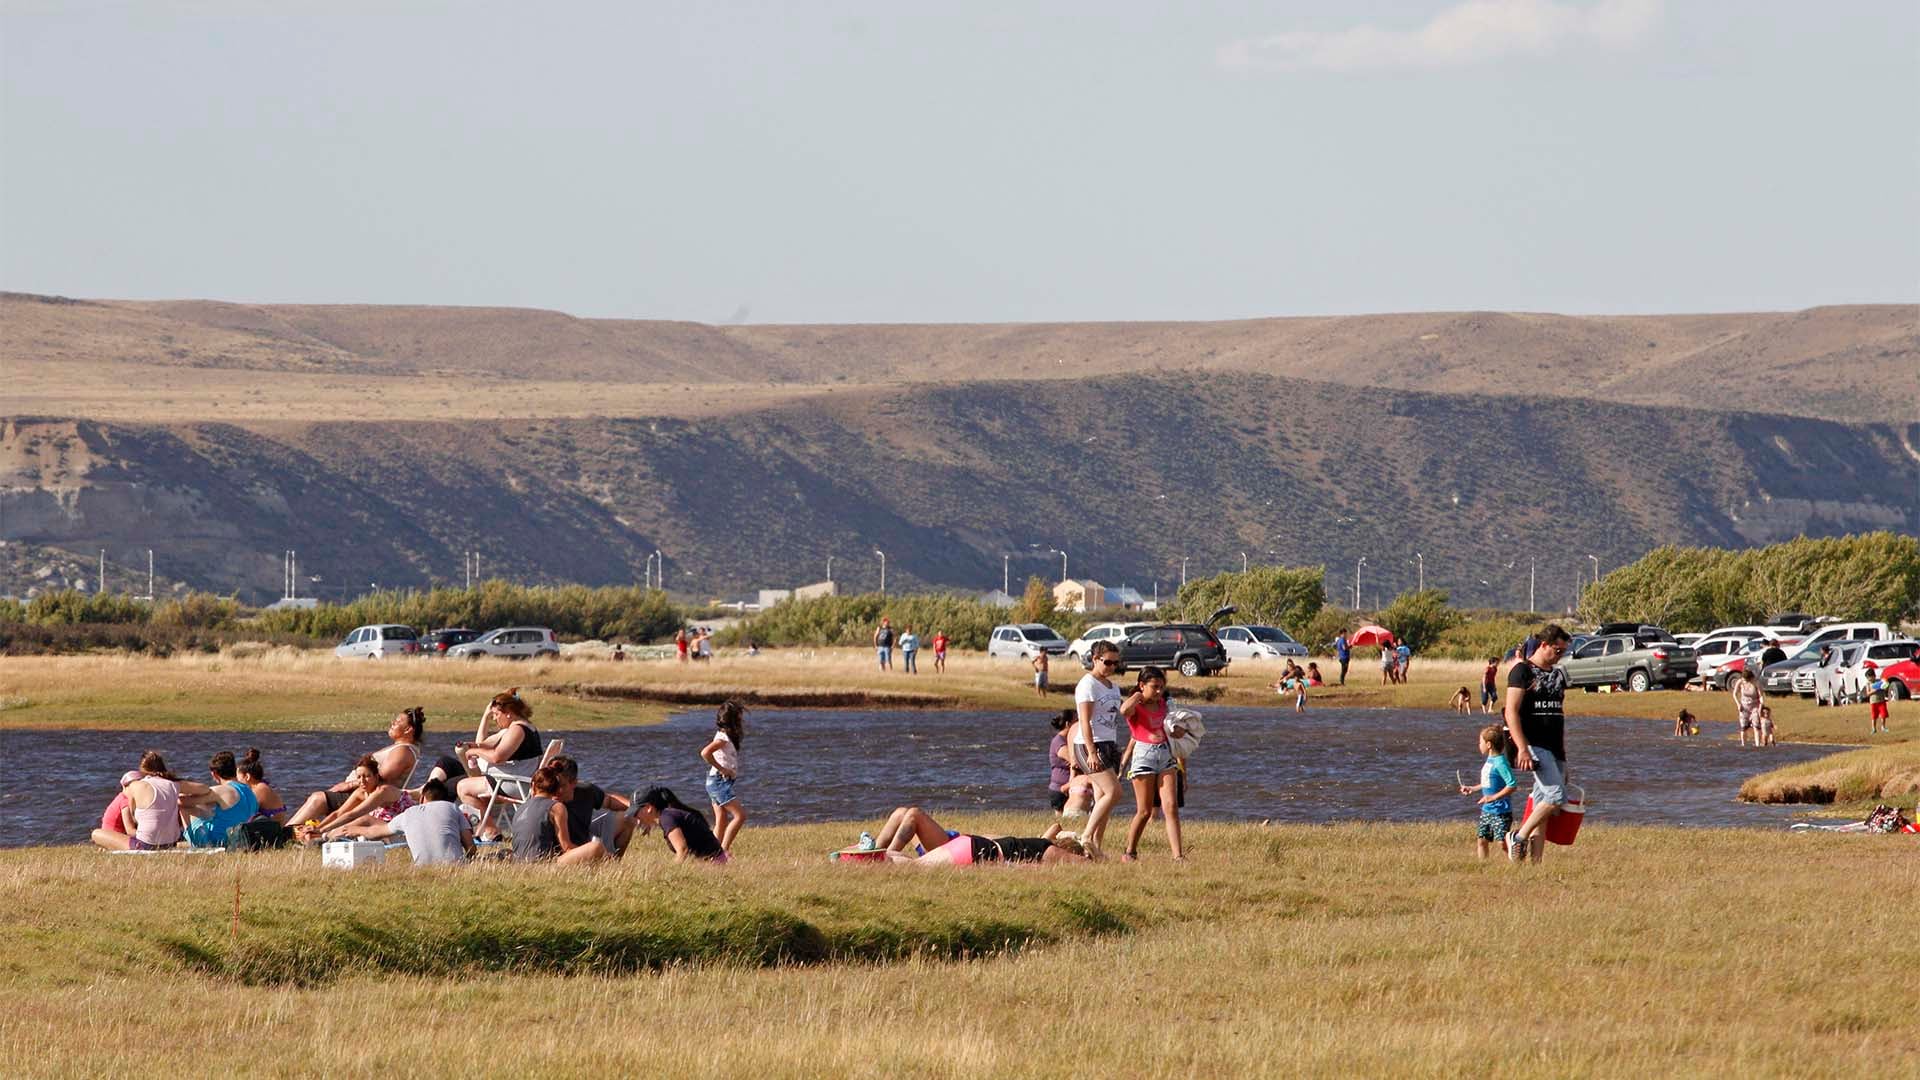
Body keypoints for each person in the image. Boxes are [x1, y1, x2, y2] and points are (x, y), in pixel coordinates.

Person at [1502, 624, 1573, 863]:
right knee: (1555, 797)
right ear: (1543, 644)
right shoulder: (1522, 671)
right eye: (1557, 649)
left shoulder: (1558, 673)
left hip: (1555, 746)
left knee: (1544, 804)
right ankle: (1518, 837)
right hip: (1533, 743)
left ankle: (1536, 864)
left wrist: (1564, 757)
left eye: (1563, 651)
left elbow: (1558, 714)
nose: (1559, 654)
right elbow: (1511, 712)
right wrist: (1522, 747)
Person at [286, 708, 425, 827]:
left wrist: (349, 785)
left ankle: (285, 834)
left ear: (408, 729)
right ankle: (297, 833)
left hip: (367, 798)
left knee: (318, 799)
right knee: (322, 800)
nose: (393, 723)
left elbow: (379, 779)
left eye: (398, 721)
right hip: (360, 794)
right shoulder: (400, 748)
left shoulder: (403, 751)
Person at [860, 806, 1091, 865]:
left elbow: (1055, 828)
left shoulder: (1043, 848)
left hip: (954, 847)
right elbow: (1054, 827)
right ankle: (872, 851)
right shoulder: (1039, 843)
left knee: (913, 815)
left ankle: (883, 855)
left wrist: (1079, 843)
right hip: (956, 843)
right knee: (902, 812)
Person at [1118, 666, 1187, 861]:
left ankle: (1178, 856)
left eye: (1162, 687)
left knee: (1171, 806)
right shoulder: (1136, 706)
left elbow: (1174, 727)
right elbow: (1124, 710)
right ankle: (1130, 851)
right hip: (1143, 756)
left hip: (1166, 755)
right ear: (1142, 685)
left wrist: (1179, 731)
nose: (1159, 691)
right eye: (1154, 687)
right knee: (1145, 811)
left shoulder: (1166, 704)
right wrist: (1138, 695)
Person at [453, 691, 545, 834]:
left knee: (463, 787)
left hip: (516, 784)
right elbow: (484, 744)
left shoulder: (517, 730)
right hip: (522, 780)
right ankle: (486, 829)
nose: (495, 719)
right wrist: (472, 745)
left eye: (496, 714)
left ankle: (490, 830)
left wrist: (476, 752)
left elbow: (497, 757)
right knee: (476, 785)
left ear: (508, 712)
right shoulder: (523, 726)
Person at [1071, 640, 1127, 855]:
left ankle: (1095, 847)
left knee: (1104, 796)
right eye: (1107, 662)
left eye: (1115, 663)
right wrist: (1092, 751)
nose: (1112, 667)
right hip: (1089, 745)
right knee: (1114, 792)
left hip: (1109, 743)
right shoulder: (1088, 684)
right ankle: (1086, 836)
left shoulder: (1113, 686)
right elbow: (1084, 721)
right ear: (1095, 659)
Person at [90, 753, 202, 851]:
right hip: (169, 842)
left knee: (96, 833)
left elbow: (130, 830)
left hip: (145, 844)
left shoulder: (134, 791)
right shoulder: (172, 784)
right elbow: (203, 788)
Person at [297, 753, 413, 842]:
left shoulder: (382, 791)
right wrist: (319, 827)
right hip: (381, 829)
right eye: (359, 777)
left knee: (364, 819)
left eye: (367, 776)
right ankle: (315, 837)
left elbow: (353, 814)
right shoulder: (361, 792)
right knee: (355, 821)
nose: (362, 781)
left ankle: (321, 838)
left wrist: (322, 830)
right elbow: (338, 813)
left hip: (404, 830)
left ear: (376, 777)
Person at [357, 778, 474, 866]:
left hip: (422, 869)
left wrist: (352, 830)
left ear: (422, 798)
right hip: (454, 867)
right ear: (444, 798)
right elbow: (470, 847)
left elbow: (376, 832)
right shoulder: (451, 807)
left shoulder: (408, 813)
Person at [510, 765, 607, 863]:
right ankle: (611, 861)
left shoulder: (521, 807)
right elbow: (566, 847)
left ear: (533, 786)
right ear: (557, 789)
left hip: (518, 861)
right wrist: (588, 853)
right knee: (596, 846)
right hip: (543, 864)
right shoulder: (557, 807)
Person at [552, 755, 633, 858]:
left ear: (574, 783)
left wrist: (639, 809)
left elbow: (609, 801)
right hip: (562, 852)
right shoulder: (546, 797)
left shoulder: (586, 791)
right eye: (553, 784)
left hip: (585, 839)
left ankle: (613, 867)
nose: (555, 789)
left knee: (628, 818)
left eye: (561, 786)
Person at [1460, 724, 1517, 861]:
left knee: (1502, 843)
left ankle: (1517, 861)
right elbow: (1488, 782)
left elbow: (1512, 785)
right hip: (1487, 810)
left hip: (1501, 811)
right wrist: (1473, 788)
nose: (1478, 745)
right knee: (1481, 841)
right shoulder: (1490, 760)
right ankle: (1482, 866)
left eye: (1480, 742)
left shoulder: (1500, 762)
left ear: (1489, 744)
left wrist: (1493, 797)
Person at [181, 750, 260, 848]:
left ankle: (196, 846)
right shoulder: (248, 790)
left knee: (185, 807)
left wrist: (174, 794)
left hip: (220, 841)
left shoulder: (220, 790)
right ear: (234, 769)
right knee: (204, 806)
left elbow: (184, 802)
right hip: (243, 838)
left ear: (214, 774)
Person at [631, 787, 729, 863]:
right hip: (716, 860)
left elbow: (682, 851)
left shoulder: (667, 819)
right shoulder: (667, 815)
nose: (636, 818)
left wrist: (670, 872)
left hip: (714, 864)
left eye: (636, 813)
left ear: (649, 808)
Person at [700, 700, 748, 852]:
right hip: (718, 782)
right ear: (733, 720)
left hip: (716, 782)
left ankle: (712, 853)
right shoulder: (722, 738)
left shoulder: (724, 736)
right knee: (739, 816)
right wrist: (721, 768)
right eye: (739, 718)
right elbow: (705, 753)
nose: (741, 721)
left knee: (721, 820)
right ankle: (724, 852)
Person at [237, 748, 285, 819]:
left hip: (272, 829)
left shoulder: (257, 790)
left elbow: (243, 814)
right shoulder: (263, 785)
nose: (237, 780)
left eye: (238, 776)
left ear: (247, 777)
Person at [98, 769, 142, 838]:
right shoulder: (125, 802)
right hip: (114, 836)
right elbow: (130, 831)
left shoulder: (121, 796)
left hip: (109, 834)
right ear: (125, 787)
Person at [1046, 709, 1074, 816]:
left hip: (1069, 787)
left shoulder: (1069, 740)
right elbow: (1074, 760)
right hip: (1060, 789)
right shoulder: (1059, 741)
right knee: (1063, 821)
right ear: (1068, 724)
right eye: (1076, 721)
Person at [1732, 670, 1762, 748]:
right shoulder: (1740, 682)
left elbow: (1761, 696)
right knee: (1743, 727)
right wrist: (1738, 704)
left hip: (1755, 706)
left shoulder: (1755, 682)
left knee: (1756, 726)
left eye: (1748, 680)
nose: (1746, 681)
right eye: (1745, 680)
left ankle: (1757, 745)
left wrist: (1760, 707)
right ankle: (1743, 744)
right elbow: (1734, 694)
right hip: (1744, 706)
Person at [1867, 670, 1891, 734]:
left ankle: (1883, 727)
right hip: (1873, 702)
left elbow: (1885, 687)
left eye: (1870, 677)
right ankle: (1873, 729)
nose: (1869, 679)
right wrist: (1874, 690)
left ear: (1874, 676)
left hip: (1881, 701)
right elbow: (1868, 693)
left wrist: (1884, 686)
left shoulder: (1879, 682)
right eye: (1868, 678)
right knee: (1874, 716)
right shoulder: (1868, 684)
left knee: (1883, 715)